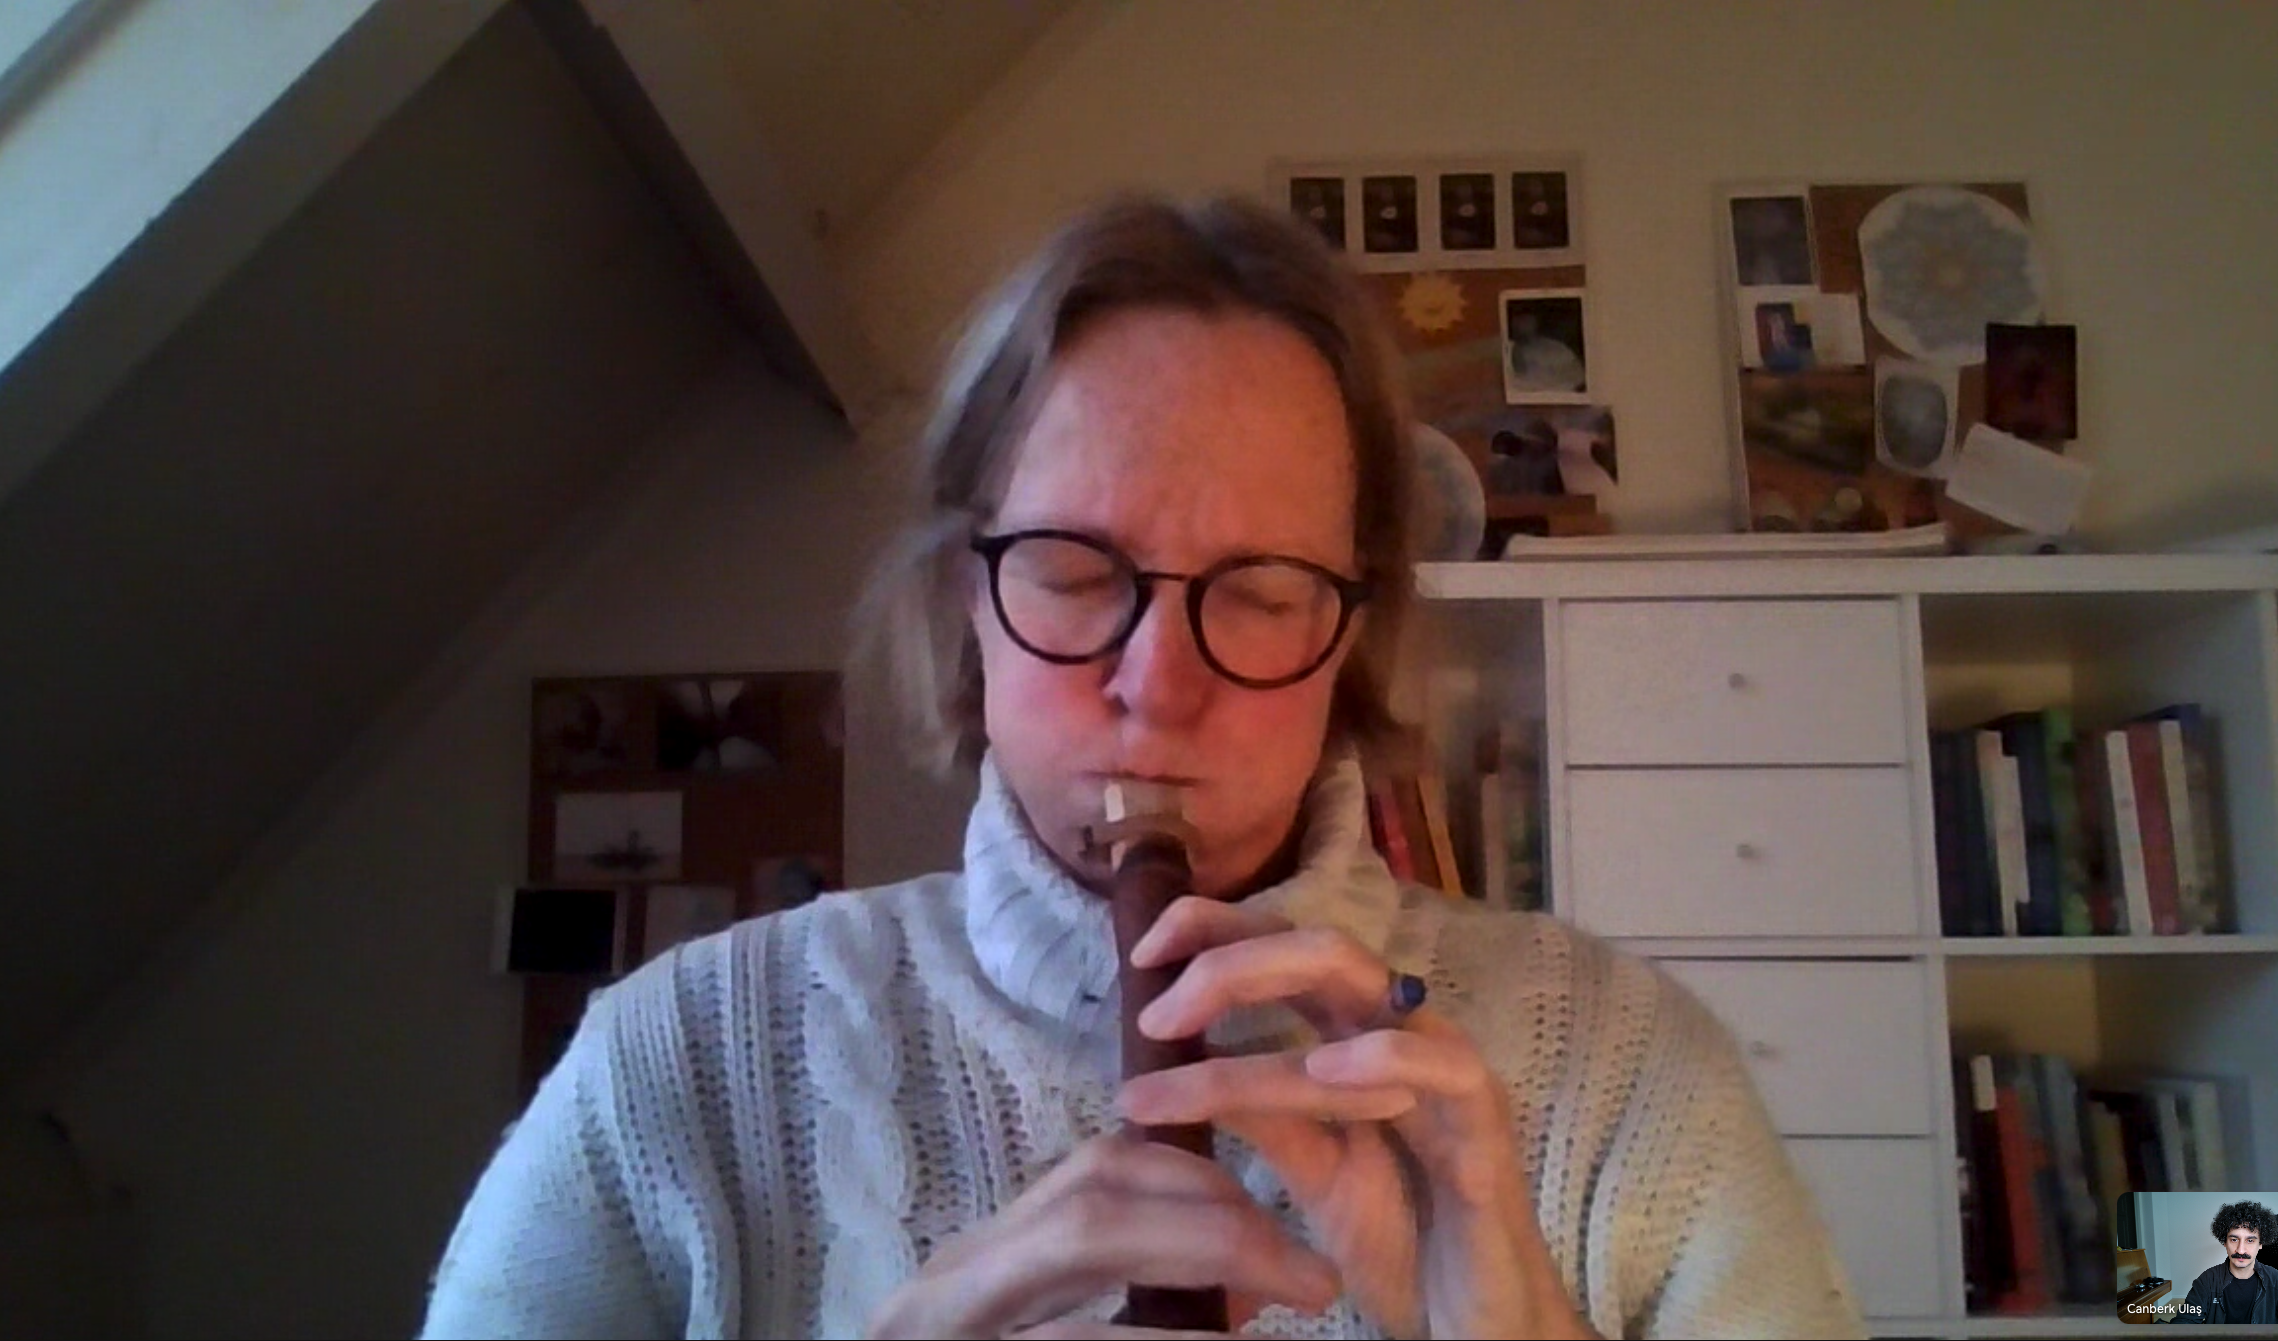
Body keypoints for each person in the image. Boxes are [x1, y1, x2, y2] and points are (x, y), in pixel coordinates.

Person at [419, 194, 1865, 1339]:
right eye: (1069, 568)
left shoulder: (1633, 1078)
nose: (1157, 684)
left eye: (1257, 587)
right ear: (962, 597)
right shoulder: (673, 1064)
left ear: (1349, 627)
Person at [2172, 1201, 2277, 1324]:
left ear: (2260, 1244)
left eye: (2250, 1240)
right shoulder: (2207, 1280)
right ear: (2225, 1242)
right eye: (2234, 1239)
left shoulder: (2275, 1279)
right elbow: (2185, 1321)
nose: (2240, 1250)